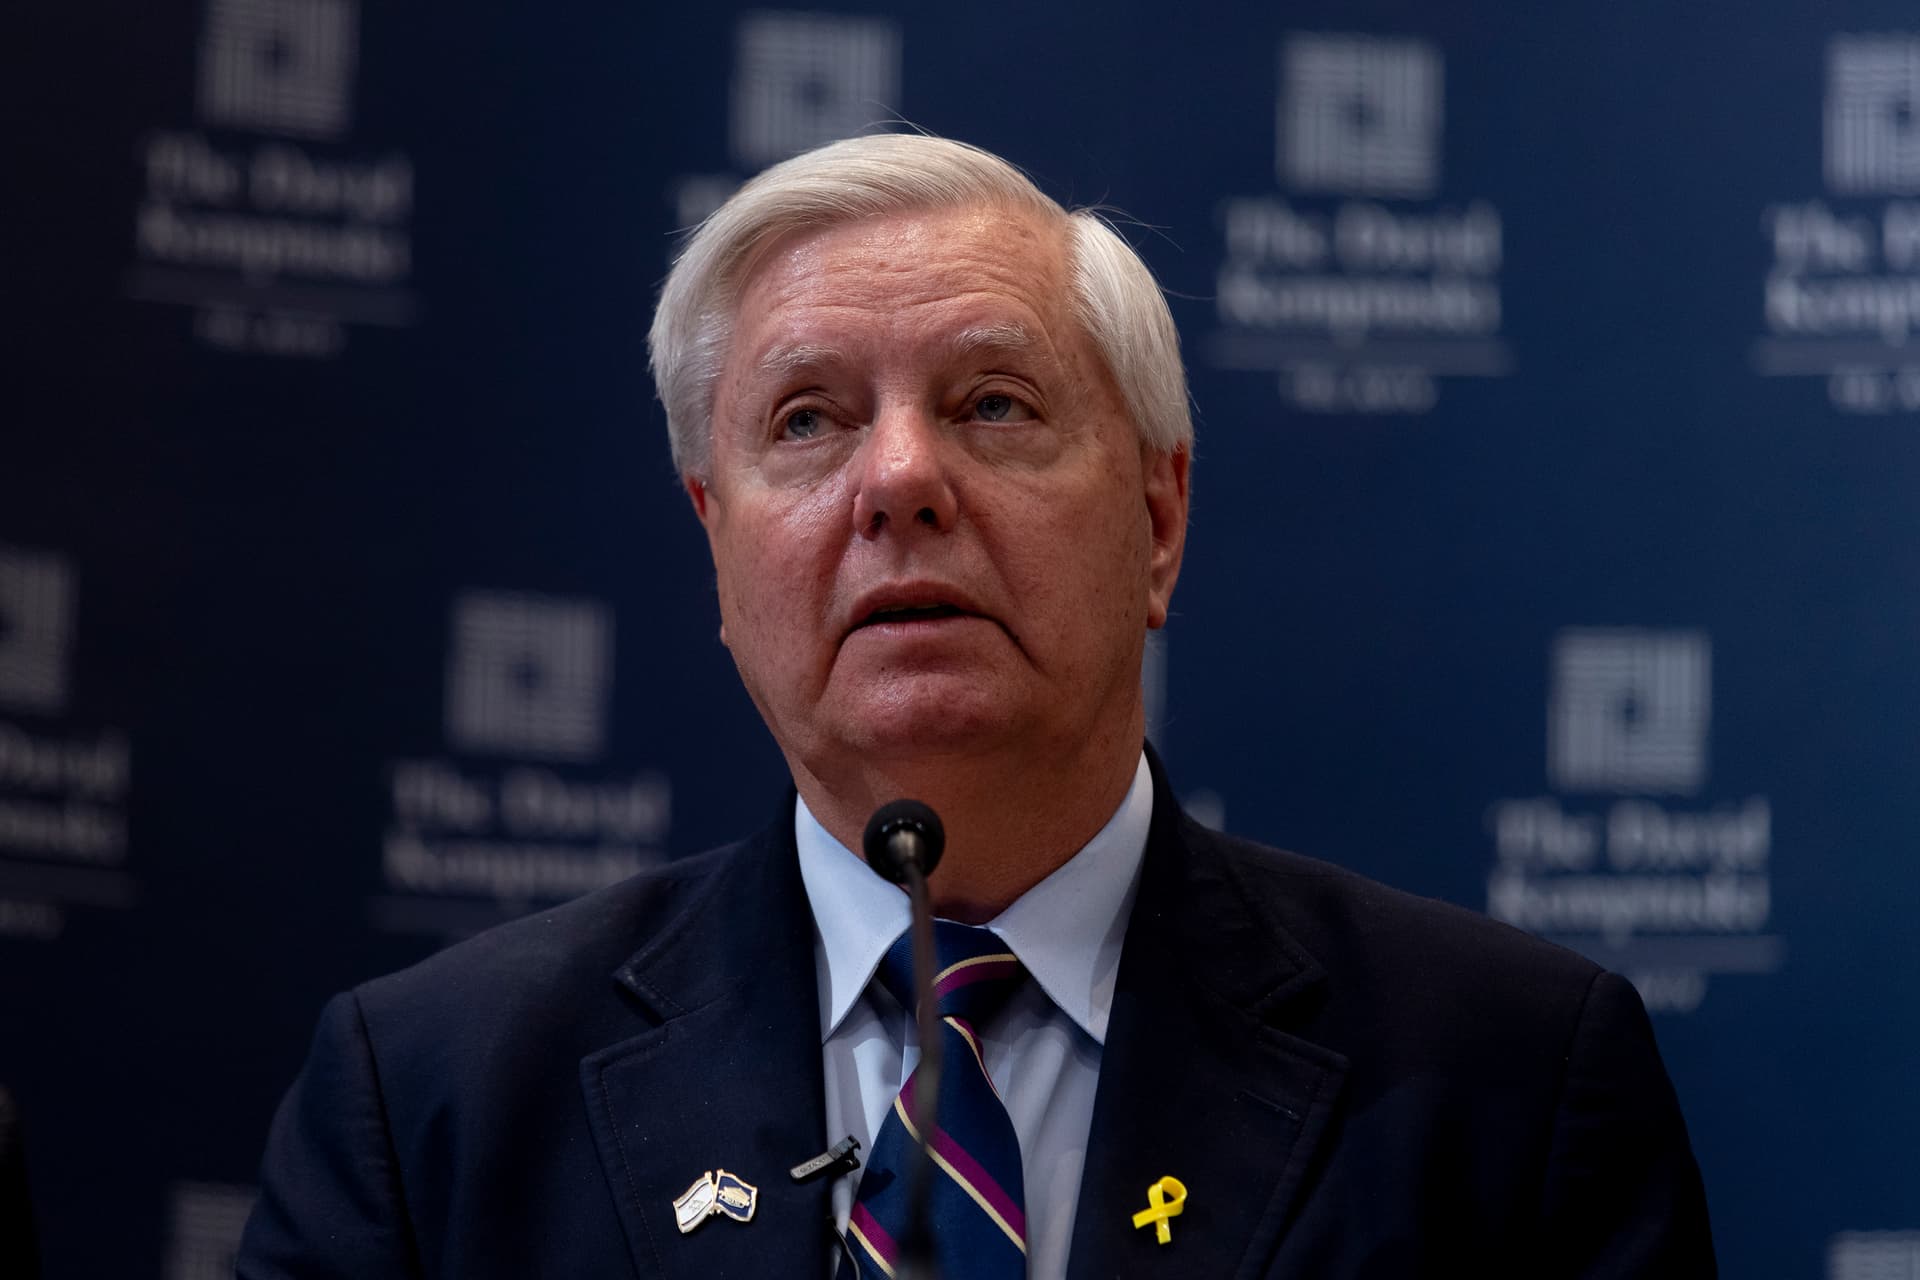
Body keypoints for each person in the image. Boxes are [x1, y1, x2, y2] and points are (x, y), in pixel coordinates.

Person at [237, 133, 1715, 1278]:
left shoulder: (1509, 1087)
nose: (897, 482)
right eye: (807, 420)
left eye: (992, 404)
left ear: (1157, 517)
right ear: (715, 537)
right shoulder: (431, 1100)